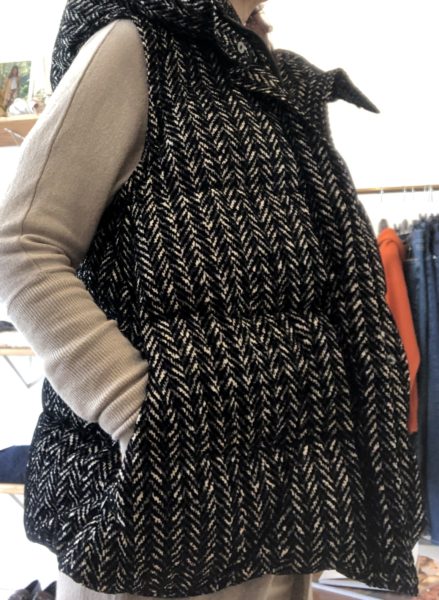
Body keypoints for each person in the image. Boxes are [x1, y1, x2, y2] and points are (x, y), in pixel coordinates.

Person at [0, 0, 425, 599]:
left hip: (285, 498)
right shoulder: (134, 47)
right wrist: (150, 416)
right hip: (167, 506)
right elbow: (21, 245)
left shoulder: (261, 70)